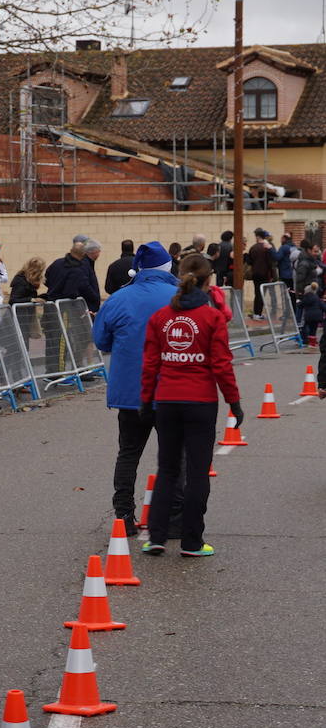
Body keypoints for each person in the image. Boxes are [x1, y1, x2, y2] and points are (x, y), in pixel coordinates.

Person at [139, 254, 243, 557]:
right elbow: (222, 365)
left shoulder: (160, 318)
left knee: (167, 469)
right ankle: (192, 541)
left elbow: (150, 365)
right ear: (209, 280)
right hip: (200, 401)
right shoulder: (212, 318)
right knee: (198, 472)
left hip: (167, 400)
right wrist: (234, 402)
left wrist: (146, 399)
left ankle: (156, 536)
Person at [92, 242, 182, 534]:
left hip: (131, 392)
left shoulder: (118, 299)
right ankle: (174, 520)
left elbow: (102, 341)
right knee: (174, 456)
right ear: (168, 268)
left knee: (128, 453)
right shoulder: (183, 297)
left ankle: (123, 517)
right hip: (172, 391)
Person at [247, 227, 276, 319]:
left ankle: (256, 313)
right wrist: (272, 275)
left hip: (255, 273)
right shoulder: (267, 247)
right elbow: (271, 262)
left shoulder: (253, 248)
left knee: (257, 293)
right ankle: (258, 313)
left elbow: (249, 261)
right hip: (265, 274)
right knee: (262, 293)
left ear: (257, 237)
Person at [300, 282, 323, 346]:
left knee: (306, 327)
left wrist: (298, 302)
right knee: (314, 329)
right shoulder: (317, 298)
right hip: (317, 316)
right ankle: (313, 342)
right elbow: (322, 306)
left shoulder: (305, 298)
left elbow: (300, 306)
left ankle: (307, 340)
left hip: (308, 317)